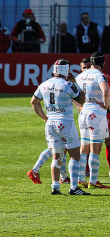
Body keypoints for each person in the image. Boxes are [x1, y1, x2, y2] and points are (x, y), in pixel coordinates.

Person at [30, 59, 90, 195]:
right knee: (75, 156)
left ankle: (55, 186)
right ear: (67, 71)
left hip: (50, 123)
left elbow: (34, 102)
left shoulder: (44, 84)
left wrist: (45, 118)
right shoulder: (68, 85)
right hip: (65, 123)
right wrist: (76, 84)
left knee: (56, 156)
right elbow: (82, 99)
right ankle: (74, 188)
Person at [79, 58, 110, 177]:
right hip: (92, 113)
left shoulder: (103, 76)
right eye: (84, 67)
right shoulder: (83, 77)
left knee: (108, 141)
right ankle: (87, 172)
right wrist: (78, 106)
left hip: (104, 113)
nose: (87, 69)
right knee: (91, 145)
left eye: (88, 66)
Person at [76, 52, 110, 189]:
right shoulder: (100, 75)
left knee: (84, 147)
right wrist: (106, 105)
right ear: (102, 63)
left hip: (84, 112)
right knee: (95, 148)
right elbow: (106, 91)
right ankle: (93, 180)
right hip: (96, 113)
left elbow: (74, 94)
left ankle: (80, 178)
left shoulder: (80, 76)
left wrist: (79, 106)